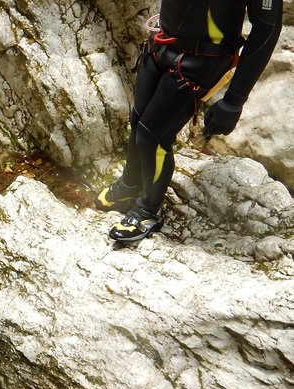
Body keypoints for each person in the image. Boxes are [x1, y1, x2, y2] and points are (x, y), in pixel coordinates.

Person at [95, 0, 283, 242]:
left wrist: (234, 100)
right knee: (138, 120)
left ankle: (148, 210)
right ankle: (130, 184)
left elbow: (267, 28)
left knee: (153, 136)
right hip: (161, 43)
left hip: (202, 60)